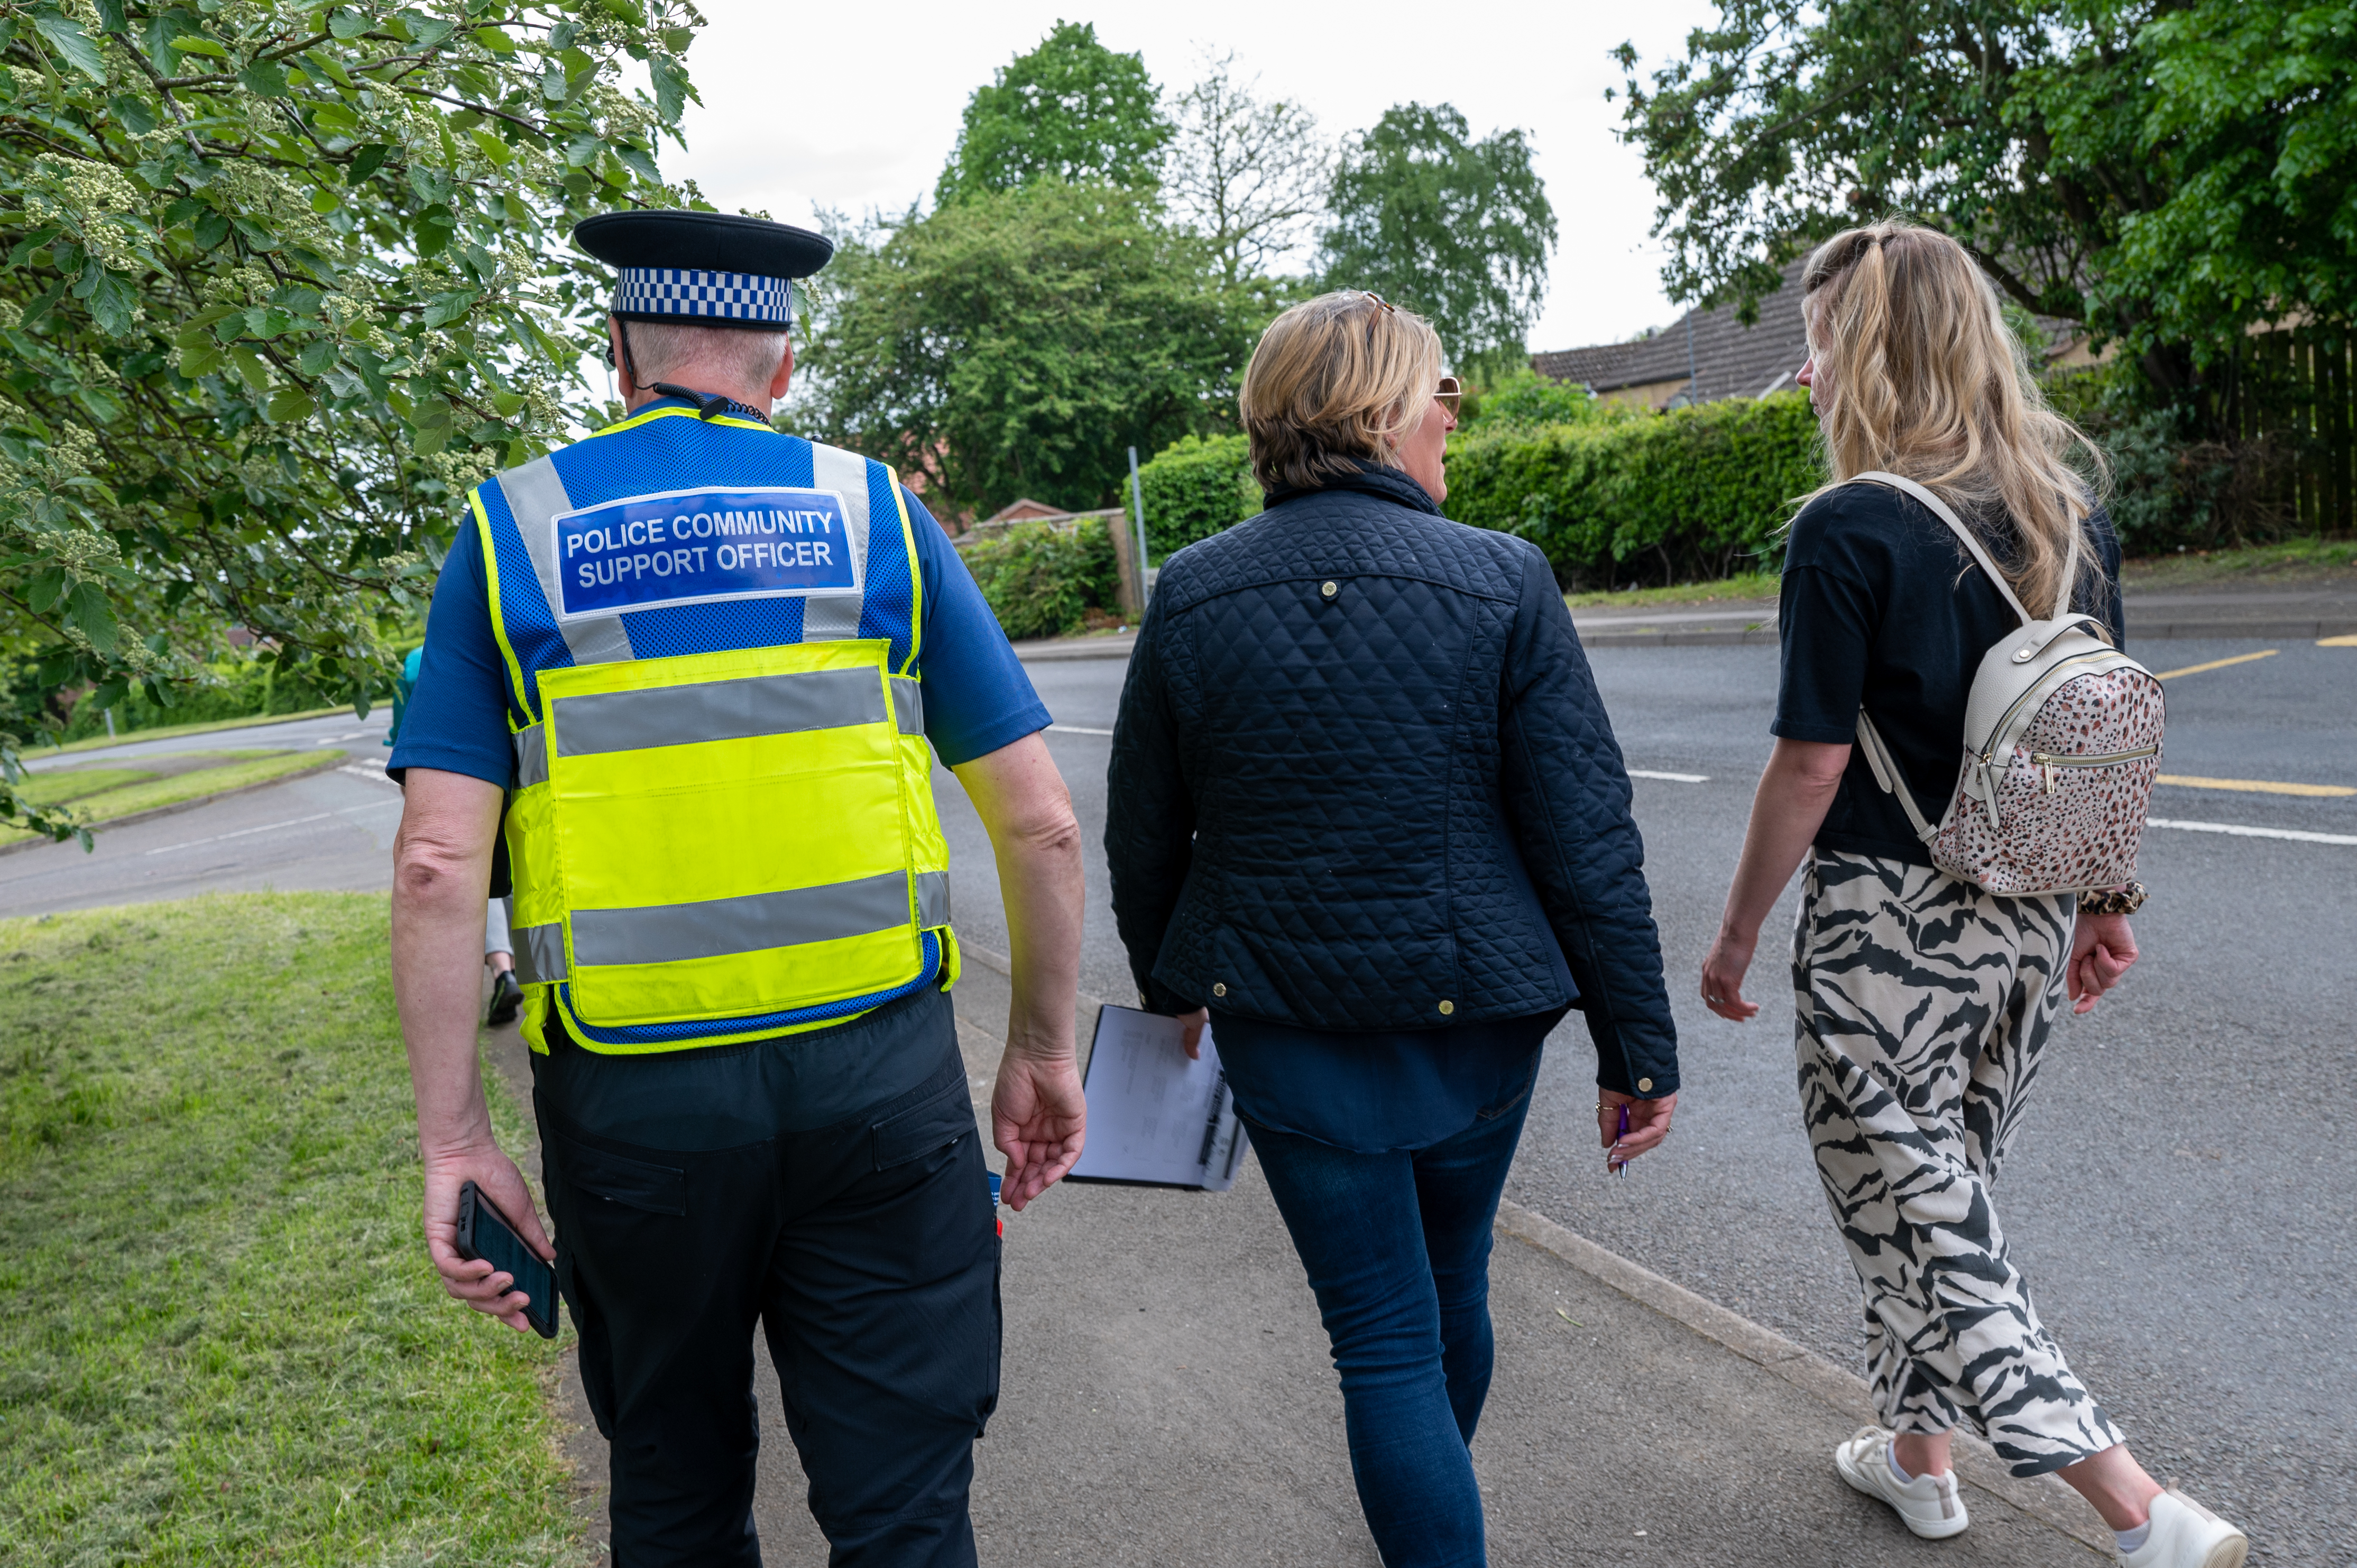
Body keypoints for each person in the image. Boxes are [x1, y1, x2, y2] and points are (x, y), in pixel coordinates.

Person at [386, 209, 1089, 1568]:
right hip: (880, 1088)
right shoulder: (873, 510)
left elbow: (433, 862)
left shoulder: (510, 533)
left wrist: (457, 1143)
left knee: (676, 1492)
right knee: (904, 1517)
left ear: (618, 357)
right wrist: (1043, 1052)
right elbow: (1045, 827)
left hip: (636, 1114)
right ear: (781, 364)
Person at [1698, 222, 2246, 1568]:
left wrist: (1737, 930)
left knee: (1933, 1221)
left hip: (1888, 933)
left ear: (1872, 351)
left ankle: (2139, 1510)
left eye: (1821, 343)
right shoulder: (2070, 513)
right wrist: (2107, 901)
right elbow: (2096, 737)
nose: (1812, 374)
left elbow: (1815, 759)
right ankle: (1919, 1462)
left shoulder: (1846, 528)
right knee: (1933, 1195)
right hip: (2028, 920)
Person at [1105, 291, 1680, 1568]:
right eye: (1442, 391)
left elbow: (1143, 835)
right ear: (1374, 408)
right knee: (1447, 1293)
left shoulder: (1192, 596)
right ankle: (1431, 1517)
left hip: (1285, 1029)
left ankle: (1425, 1522)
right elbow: (1587, 838)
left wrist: (1169, 991)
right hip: (1474, 1027)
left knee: (1380, 1336)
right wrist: (1638, 1051)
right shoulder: (1503, 579)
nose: (1452, 416)